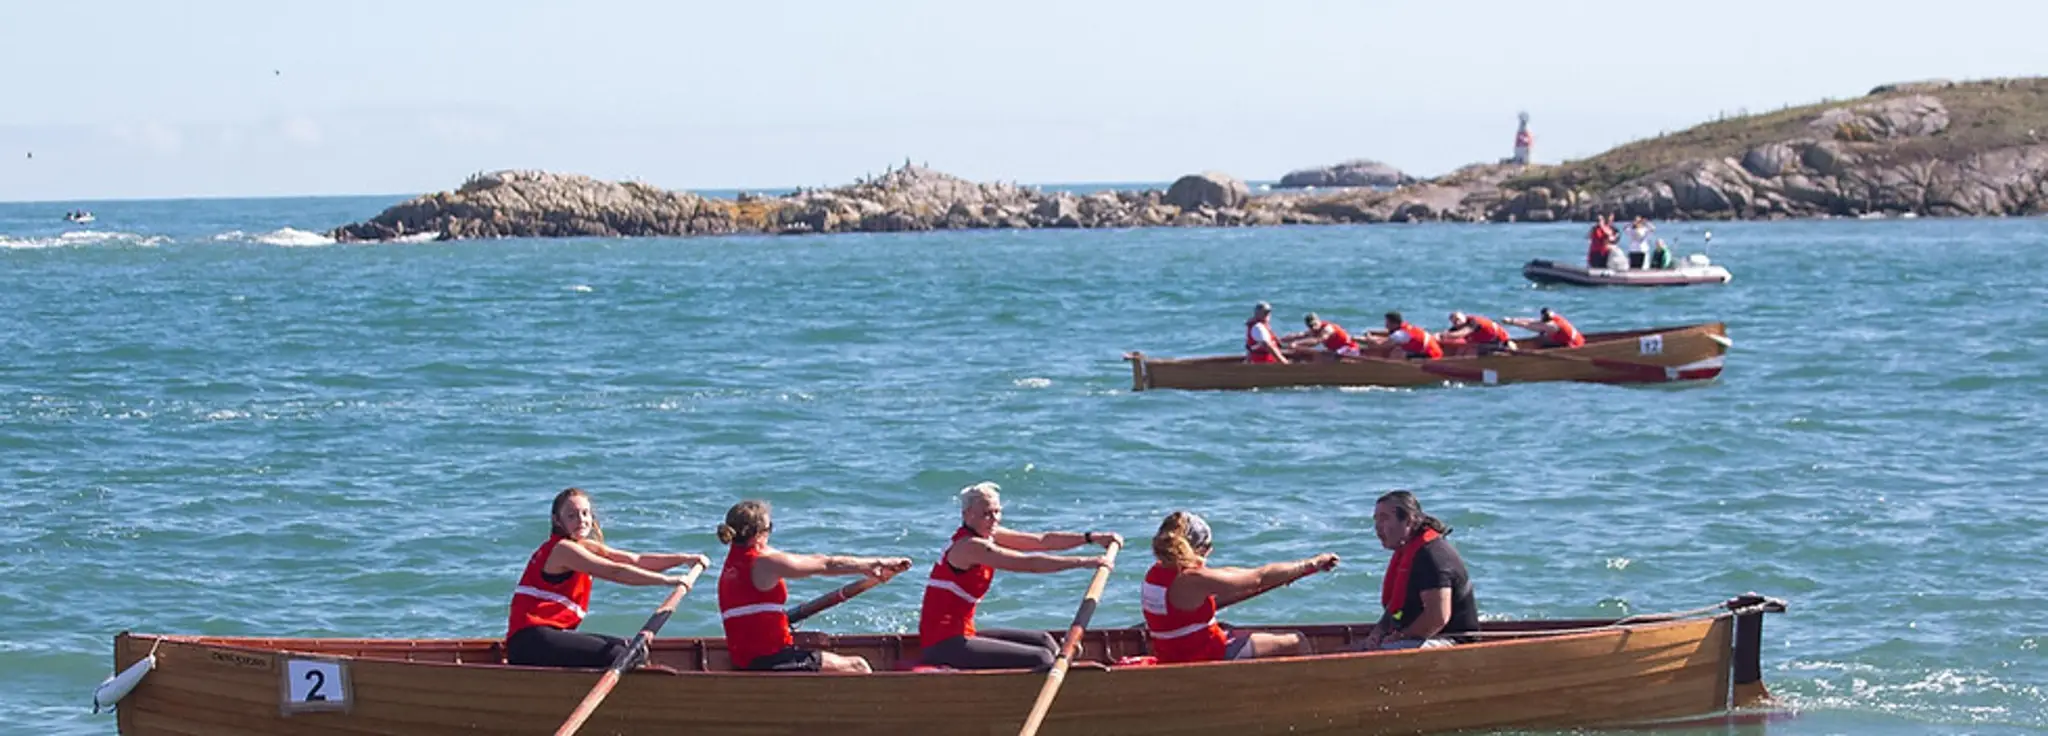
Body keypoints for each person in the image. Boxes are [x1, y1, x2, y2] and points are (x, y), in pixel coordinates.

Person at [919, 482, 1121, 670]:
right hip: (943, 644)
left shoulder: (988, 533)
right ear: (967, 514)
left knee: (1045, 641)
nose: (994, 519)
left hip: (964, 633)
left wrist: (1091, 538)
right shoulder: (970, 546)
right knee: (1040, 658)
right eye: (986, 514)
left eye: (997, 512)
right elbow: (1028, 564)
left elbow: (1041, 541)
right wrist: (1085, 562)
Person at [506, 488, 712, 668]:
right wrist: (669, 581)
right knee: (622, 655)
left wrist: (684, 559)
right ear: (557, 520)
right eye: (572, 516)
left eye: (585, 513)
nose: (581, 520)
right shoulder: (563, 549)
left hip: (546, 637)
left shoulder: (582, 546)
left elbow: (634, 559)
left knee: (628, 648)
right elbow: (616, 571)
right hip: (531, 641)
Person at [715, 500, 913, 673]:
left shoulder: (731, 565)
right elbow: (826, 564)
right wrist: (877, 562)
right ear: (759, 534)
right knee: (858, 666)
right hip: (772, 659)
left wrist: (869, 573)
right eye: (770, 528)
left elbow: (806, 560)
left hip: (745, 659)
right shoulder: (764, 563)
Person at [1144, 511, 1338, 663]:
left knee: (1232, 629)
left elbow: (1233, 576)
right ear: (1199, 549)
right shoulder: (1192, 578)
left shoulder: (1155, 575)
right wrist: (1310, 563)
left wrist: (1288, 575)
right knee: (1297, 641)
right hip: (1205, 655)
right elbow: (1258, 578)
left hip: (1172, 654)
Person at [1356, 491, 1479, 650]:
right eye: (1376, 520)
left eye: (1385, 518)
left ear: (1408, 520)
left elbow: (1437, 617)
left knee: (1380, 655)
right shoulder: (1408, 552)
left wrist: (1401, 636)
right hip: (1418, 638)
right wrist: (1378, 633)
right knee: (1357, 649)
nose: (1378, 527)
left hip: (1454, 643)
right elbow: (1395, 607)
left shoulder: (1432, 556)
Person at [1369, 311, 1443, 360]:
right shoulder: (1404, 328)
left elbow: (1382, 345)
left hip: (1431, 356)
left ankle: (1392, 371)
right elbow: (1389, 336)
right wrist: (1373, 333)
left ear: (1394, 324)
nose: (1385, 325)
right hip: (1431, 351)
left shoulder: (1401, 334)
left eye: (1387, 323)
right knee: (1397, 349)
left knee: (1397, 352)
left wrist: (1369, 339)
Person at [1282, 312, 1361, 358]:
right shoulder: (1314, 329)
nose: (1313, 327)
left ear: (1319, 321)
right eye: (1310, 326)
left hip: (1349, 349)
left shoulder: (1327, 329)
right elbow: (1299, 335)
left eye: (1314, 324)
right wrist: (1280, 340)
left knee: (1322, 356)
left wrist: (1296, 343)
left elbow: (1317, 341)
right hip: (1337, 350)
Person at [1437, 311, 1515, 357]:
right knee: (1462, 349)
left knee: (1475, 352)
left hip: (1498, 341)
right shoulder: (1458, 326)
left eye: (1458, 319)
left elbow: (1463, 333)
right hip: (1484, 342)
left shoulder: (1474, 322)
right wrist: (1437, 337)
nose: (1457, 322)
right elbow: (1449, 334)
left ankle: (1507, 354)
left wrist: (1443, 335)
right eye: (1454, 322)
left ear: (1464, 317)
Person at [1500, 307, 1585, 349]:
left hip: (1573, 346)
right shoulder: (1556, 318)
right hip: (1579, 341)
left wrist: (1512, 322)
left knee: (1541, 340)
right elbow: (1532, 321)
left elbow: (1529, 326)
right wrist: (1512, 320)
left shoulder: (1552, 326)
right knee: (1542, 336)